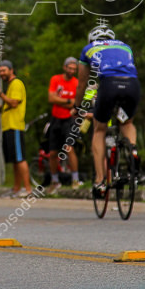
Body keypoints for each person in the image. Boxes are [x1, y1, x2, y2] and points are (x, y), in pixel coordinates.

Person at [74, 24, 140, 198]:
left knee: (99, 129)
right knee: (127, 122)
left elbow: (82, 83)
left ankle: (100, 181)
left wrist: (77, 106)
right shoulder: (125, 46)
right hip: (132, 84)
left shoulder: (88, 49)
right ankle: (133, 152)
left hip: (109, 85)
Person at [0, 60, 30, 198]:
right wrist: (0, 107)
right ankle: (16, 189)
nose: (2, 73)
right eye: (0, 71)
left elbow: (14, 103)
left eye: (4, 70)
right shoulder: (10, 86)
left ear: (11, 70)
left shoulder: (16, 83)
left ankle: (27, 189)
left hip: (15, 126)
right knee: (14, 160)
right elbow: (10, 104)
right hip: (8, 126)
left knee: (20, 159)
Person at [46, 57, 82, 193]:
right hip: (56, 118)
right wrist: (68, 101)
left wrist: (62, 101)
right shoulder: (55, 79)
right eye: (70, 68)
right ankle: (54, 181)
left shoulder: (77, 83)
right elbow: (51, 98)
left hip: (69, 120)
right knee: (53, 152)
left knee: (69, 148)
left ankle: (75, 179)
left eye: (74, 69)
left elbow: (77, 103)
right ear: (64, 67)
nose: (72, 71)